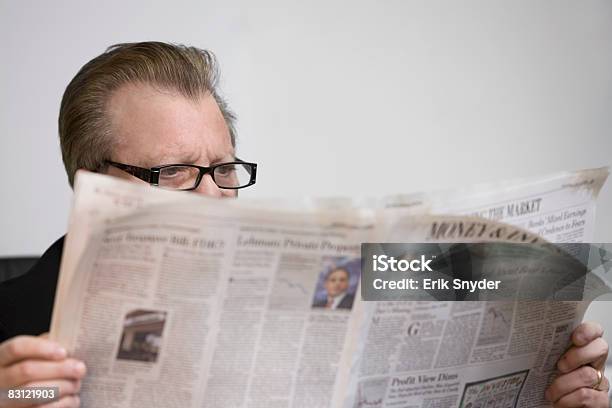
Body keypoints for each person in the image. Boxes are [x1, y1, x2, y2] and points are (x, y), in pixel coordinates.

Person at [0, 42, 608, 408]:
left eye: (223, 168)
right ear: (92, 183)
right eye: (176, 172)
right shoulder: (12, 320)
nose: (213, 195)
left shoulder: (287, 299)